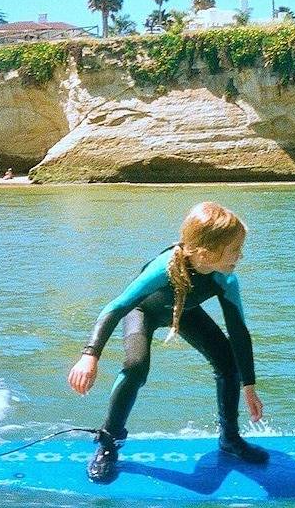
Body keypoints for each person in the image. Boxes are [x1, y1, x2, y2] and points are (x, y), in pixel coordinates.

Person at [67, 202, 268, 484]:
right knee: (136, 366)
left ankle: (230, 439)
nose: (241, 255)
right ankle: (108, 445)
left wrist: (249, 386)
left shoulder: (226, 279)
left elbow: (239, 332)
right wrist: (90, 355)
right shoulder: (163, 268)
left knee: (227, 360)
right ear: (206, 253)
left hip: (184, 310)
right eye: (235, 249)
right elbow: (117, 306)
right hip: (142, 311)